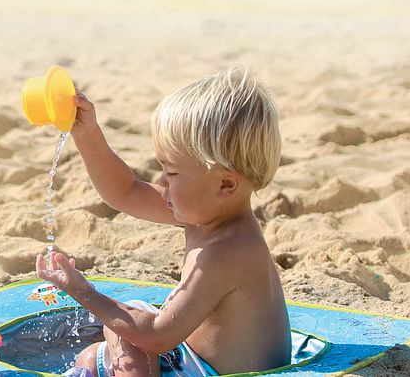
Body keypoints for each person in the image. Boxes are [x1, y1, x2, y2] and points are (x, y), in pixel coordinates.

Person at [36, 67, 291, 377]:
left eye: (171, 173)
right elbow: (126, 192)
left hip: (214, 373)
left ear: (225, 184)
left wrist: (84, 291)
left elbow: (157, 336)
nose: (161, 181)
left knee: (126, 331)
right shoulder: (206, 211)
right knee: (94, 355)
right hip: (194, 361)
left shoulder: (226, 252)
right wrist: (87, 134)